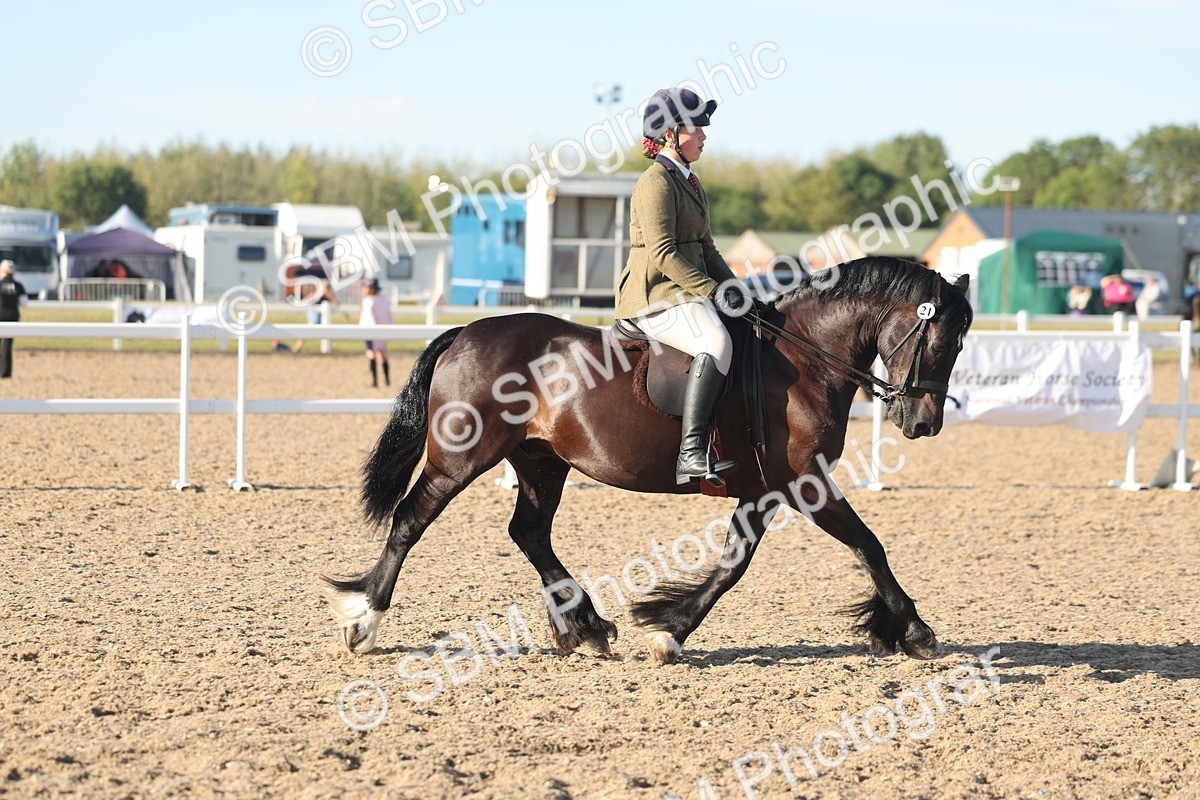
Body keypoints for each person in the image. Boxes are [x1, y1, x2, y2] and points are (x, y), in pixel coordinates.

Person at [615, 87, 742, 485]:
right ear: (670, 134)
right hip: (654, 296)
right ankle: (690, 454)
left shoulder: (689, 180)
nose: (704, 136)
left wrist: (737, 290)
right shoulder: (655, 183)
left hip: (684, 291)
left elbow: (707, 247)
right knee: (717, 342)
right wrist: (711, 290)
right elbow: (663, 252)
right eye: (696, 129)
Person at [360, 278, 393, 387]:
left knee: (371, 354)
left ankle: (374, 381)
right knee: (382, 353)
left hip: (370, 330)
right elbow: (389, 316)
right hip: (384, 330)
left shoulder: (368, 300)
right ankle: (387, 380)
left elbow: (370, 317)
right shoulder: (384, 300)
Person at [0, 260, 30, 379]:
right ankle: (5, 372)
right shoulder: (18, 285)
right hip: (12, 316)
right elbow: (25, 303)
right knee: (7, 345)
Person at [293, 278, 338, 353]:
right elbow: (306, 300)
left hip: (322, 317)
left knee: (325, 332)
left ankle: (326, 348)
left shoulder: (328, 296)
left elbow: (336, 303)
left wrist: (329, 295)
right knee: (307, 331)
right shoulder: (317, 294)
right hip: (314, 315)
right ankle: (297, 347)